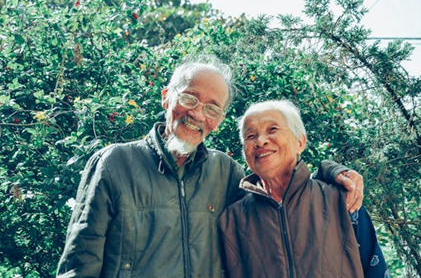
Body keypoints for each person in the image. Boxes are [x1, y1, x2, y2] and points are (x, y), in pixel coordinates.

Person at [57, 57, 364, 277]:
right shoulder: (115, 163)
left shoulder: (226, 172)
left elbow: (280, 188)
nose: (197, 114)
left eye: (212, 108)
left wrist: (331, 172)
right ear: (167, 98)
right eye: (189, 98)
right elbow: (79, 263)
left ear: (218, 120)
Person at [218, 100, 389, 278]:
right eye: (250, 136)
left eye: (273, 130)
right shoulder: (232, 220)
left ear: (300, 142)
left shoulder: (341, 199)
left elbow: (375, 268)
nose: (260, 141)